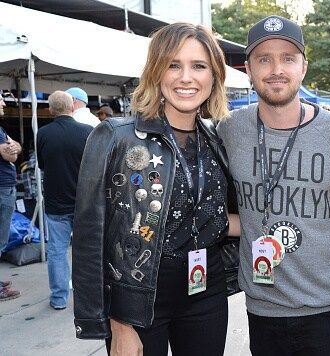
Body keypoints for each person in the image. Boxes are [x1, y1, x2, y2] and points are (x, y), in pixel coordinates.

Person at [72, 23, 240, 356]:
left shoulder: (217, 140)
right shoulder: (115, 137)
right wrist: (118, 323)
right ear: (156, 71)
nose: (186, 77)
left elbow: (219, 217)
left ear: (214, 76)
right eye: (173, 65)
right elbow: (91, 237)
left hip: (206, 289)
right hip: (139, 299)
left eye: (199, 66)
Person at [217, 15, 330, 355]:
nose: (276, 69)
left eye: (288, 58)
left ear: (303, 67)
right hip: (262, 305)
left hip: (327, 307)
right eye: (264, 59)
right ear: (248, 68)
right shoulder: (228, 129)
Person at [37, 90, 92, 310]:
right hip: (84, 203)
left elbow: (42, 165)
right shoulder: (87, 132)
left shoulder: (43, 134)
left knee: (57, 251)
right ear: (72, 107)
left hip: (55, 203)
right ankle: (88, 296)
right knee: (86, 251)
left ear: (50, 109)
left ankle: (59, 298)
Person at [0, 91, 21, 301]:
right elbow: (10, 153)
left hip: (4, 187)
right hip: (2, 189)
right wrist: (11, 151)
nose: (4, 103)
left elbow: (16, 148)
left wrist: (13, 149)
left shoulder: (1, 129)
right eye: (0, 98)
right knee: (0, 239)